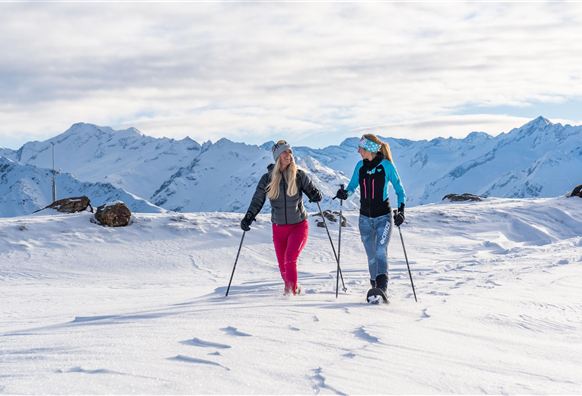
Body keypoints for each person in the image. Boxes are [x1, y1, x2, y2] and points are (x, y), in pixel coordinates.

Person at [241, 140, 323, 295]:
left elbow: (313, 191)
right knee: (283, 266)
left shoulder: (299, 176)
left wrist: (315, 195)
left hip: (298, 225)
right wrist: (249, 216)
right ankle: (294, 288)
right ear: (278, 157)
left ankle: (289, 296)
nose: (289, 155)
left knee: (290, 259)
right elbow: (258, 200)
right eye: (285, 152)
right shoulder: (267, 179)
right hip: (278, 229)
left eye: (290, 152)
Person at [335, 134, 406, 297]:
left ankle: (382, 287)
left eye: (360, 147)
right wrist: (345, 194)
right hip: (364, 219)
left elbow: (400, 190)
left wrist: (401, 211)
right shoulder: (360, 166)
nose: (358, 150)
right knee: (371, 255)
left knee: (381, 250)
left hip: (384, 217)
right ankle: (375, 288)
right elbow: (352, 186)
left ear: (369, 149)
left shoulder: (386, 166)